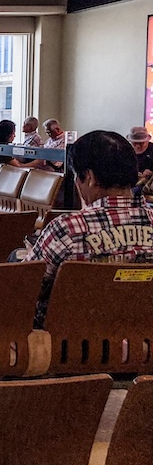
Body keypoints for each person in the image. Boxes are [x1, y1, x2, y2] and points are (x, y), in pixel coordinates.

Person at [25, 130, 153, 327]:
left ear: (90, 178)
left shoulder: (67, 229)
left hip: (70, 345)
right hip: (143, 342)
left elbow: (24, 289)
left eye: (78, 176)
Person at [127, 127, 153, 193]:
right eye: (134, 143)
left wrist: (150, 171)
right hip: (130, 182)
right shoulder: (127, 150)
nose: (138, 146)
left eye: (141, 143)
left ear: (147, 140)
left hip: (147, 184)